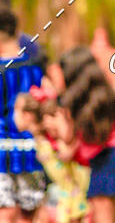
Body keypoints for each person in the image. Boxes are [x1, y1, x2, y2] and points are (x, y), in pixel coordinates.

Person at [55, 47, 115, 223]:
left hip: (104, 161)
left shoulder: (73, 102)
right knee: (114, 214)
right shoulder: (108, 93)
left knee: (103, 216)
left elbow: (68, 137)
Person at [13, 88, 89, 223]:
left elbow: (70, 146)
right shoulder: (37, 139)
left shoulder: (50, 134)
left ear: (28, 115)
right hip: (64, 193)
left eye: (16, 110)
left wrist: (65, 146)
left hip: (75, 191)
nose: (13, 116)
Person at [0, 6, 46, 223]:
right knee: (30, 215)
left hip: (2, 155)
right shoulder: (36, 67)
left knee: (5, 213)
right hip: (32, 152)